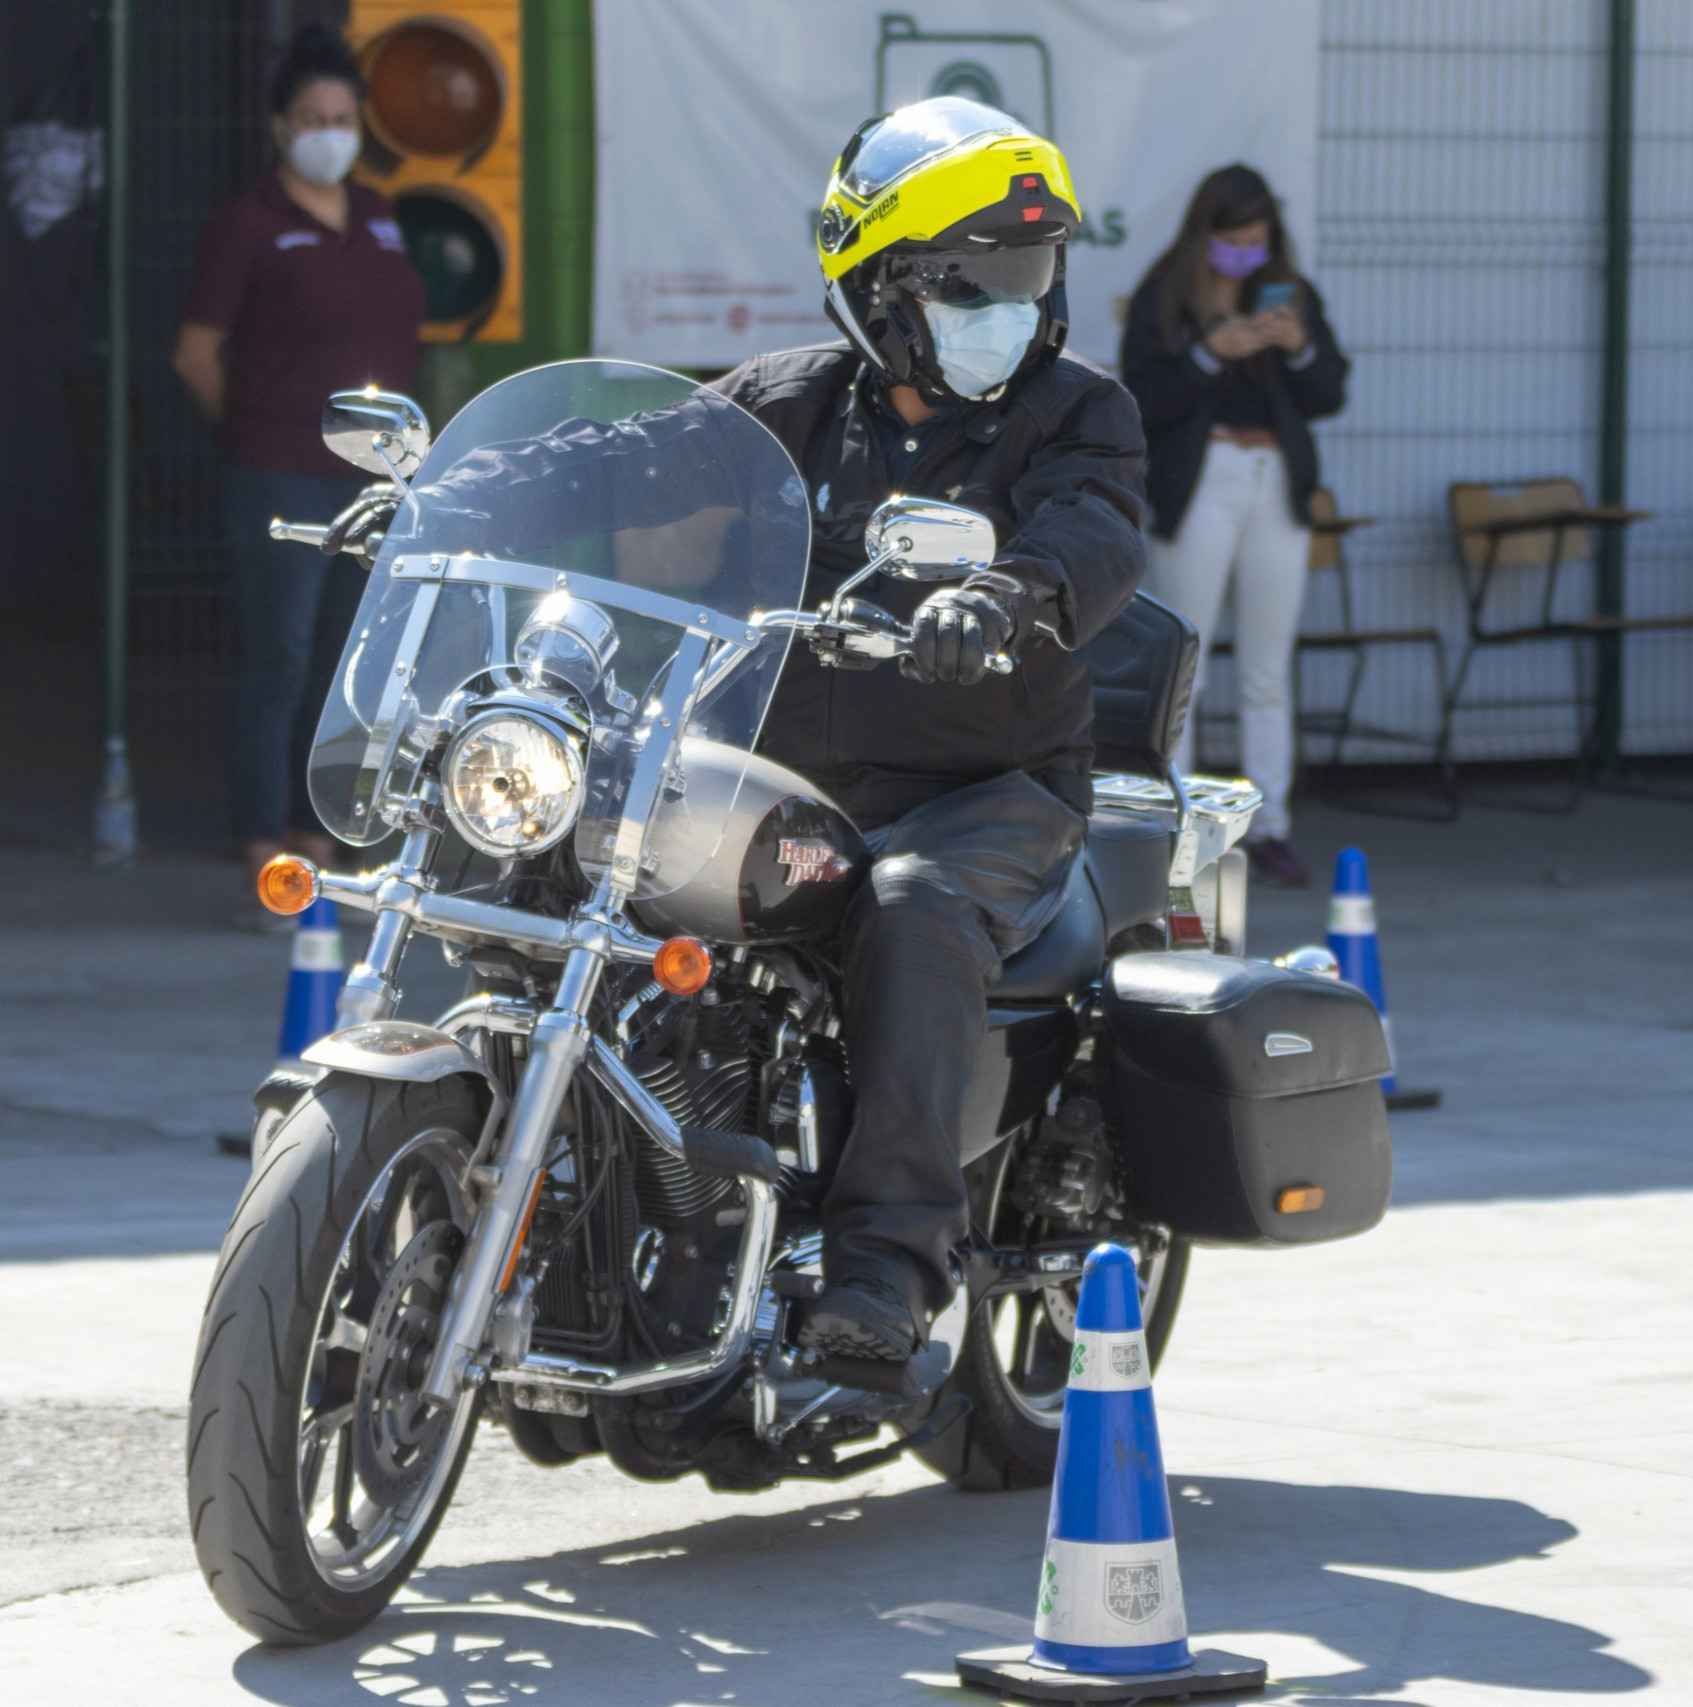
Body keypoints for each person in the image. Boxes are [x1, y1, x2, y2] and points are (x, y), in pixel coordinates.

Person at [327, 97, 1147, 1362]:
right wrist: (442, 496)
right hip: (780, 772)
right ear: (877, 291)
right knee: (574, 851)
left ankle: (885, 1266)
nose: (1014, 305)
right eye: (971, 279)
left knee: (915, 908)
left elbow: (1091, 525)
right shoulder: (794, 401)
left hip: (981, 789)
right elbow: (615, 460)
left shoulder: (1078, 413)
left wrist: (1007, 593)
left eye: (1032, 273)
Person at [171, 24, 423, 909]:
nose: (329, 130)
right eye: (312, 117)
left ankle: (323, 834)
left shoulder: (383, 216)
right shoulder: (248, 223)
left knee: (347, 661)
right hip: (277, 476)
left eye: (342, 117)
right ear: (280, 127)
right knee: (275, 658)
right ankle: (263, 840)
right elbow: (195, 354)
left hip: (374, 485)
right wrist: (253, 432)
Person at [1120, 164, 1349, 888]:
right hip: (1202, 479)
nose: (1247, 253)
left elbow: (1328, 390)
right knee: (1182, 660)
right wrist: (1209, 352)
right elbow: (1143, 397)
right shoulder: (1167, 291)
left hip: (1273, 479)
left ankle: (1270, 821)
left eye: (1258, 240)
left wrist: (1296, 345)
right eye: (1234, 241)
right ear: (1206, 236)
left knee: (1266, 666)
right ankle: (1177, 823)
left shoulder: (1288, 291)